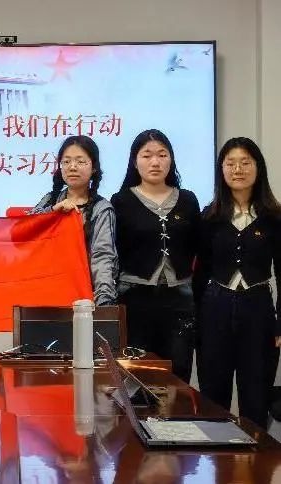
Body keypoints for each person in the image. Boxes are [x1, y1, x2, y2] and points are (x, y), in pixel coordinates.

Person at [194, 137, 281, 428]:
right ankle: (216, 454)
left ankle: (256, 455)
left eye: (245, 163)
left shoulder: (273, 217)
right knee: (213, 393)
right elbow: (201, 271)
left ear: (258, 168)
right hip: (215, 307)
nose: (238, 169)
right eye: (230, 163)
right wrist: (197, 318)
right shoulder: (210, 216)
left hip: (258, 309)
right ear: (221, 169)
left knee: (256, 394)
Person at [111, 129, 200, 383]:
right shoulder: (120, 201)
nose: (155, 162)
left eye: (162, 155)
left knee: (177, 375)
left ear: (171, 160)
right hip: (134, 299)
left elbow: (198, 247)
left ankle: (176, 412)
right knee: (137, 376)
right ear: (134, 161)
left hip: (180, 300)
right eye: (147, 155)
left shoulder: (188, 200)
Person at [32, 135, 118, 306]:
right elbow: (25, 231)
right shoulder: (50, 200)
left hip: (83, 298)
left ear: (94, 167)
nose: (72, 167)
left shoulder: (102, 208)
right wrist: (53, 212)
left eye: (80, 161)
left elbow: (102, 257)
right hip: (45, 292)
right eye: (66, 161)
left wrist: (103, 302)